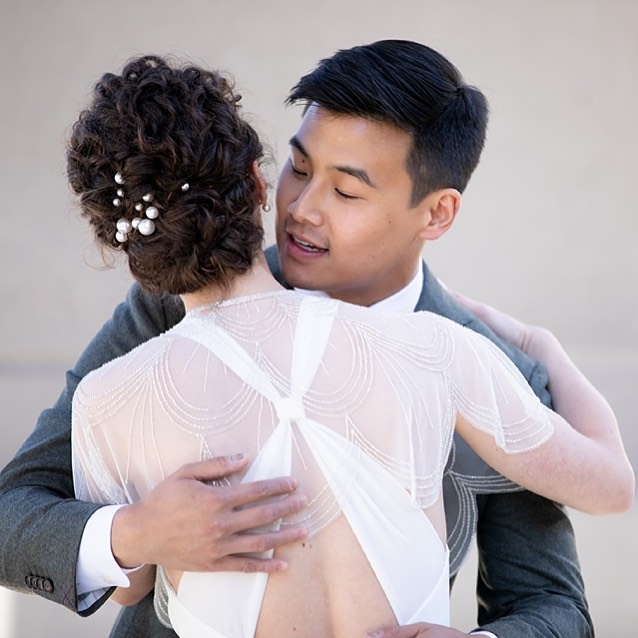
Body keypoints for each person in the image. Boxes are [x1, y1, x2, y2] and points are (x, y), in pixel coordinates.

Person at [0, 41, 630, 637]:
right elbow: (13, 513)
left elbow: (553, 605)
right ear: (260, 177)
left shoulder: (490, 360)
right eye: (298, 168)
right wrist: (131, 535)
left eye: (347, 190)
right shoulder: (166, 300)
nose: (302, 208)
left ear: (435, 213)